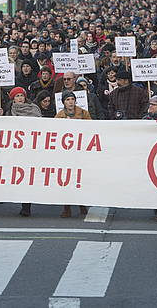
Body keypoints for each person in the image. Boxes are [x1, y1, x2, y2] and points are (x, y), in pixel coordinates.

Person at [2, 86, 41, 217]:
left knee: (27, 177)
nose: (19, 98)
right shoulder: (9, 111)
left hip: (30, 148)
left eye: (21, 95)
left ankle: (26, 206)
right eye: (17, 96)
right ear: (13, 98)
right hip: (15, 149)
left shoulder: (34, 109)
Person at [55, 90, 90, 218]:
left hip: (80, 151)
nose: (70, 102)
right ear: (63, 102)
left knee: (80, 179)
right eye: (68, 99)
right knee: (66, 180)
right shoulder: (59, 116)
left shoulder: (83, 113)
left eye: (72, 99)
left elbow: (90, 128)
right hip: (66, 153)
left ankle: (82, 204)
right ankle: (67, 207)